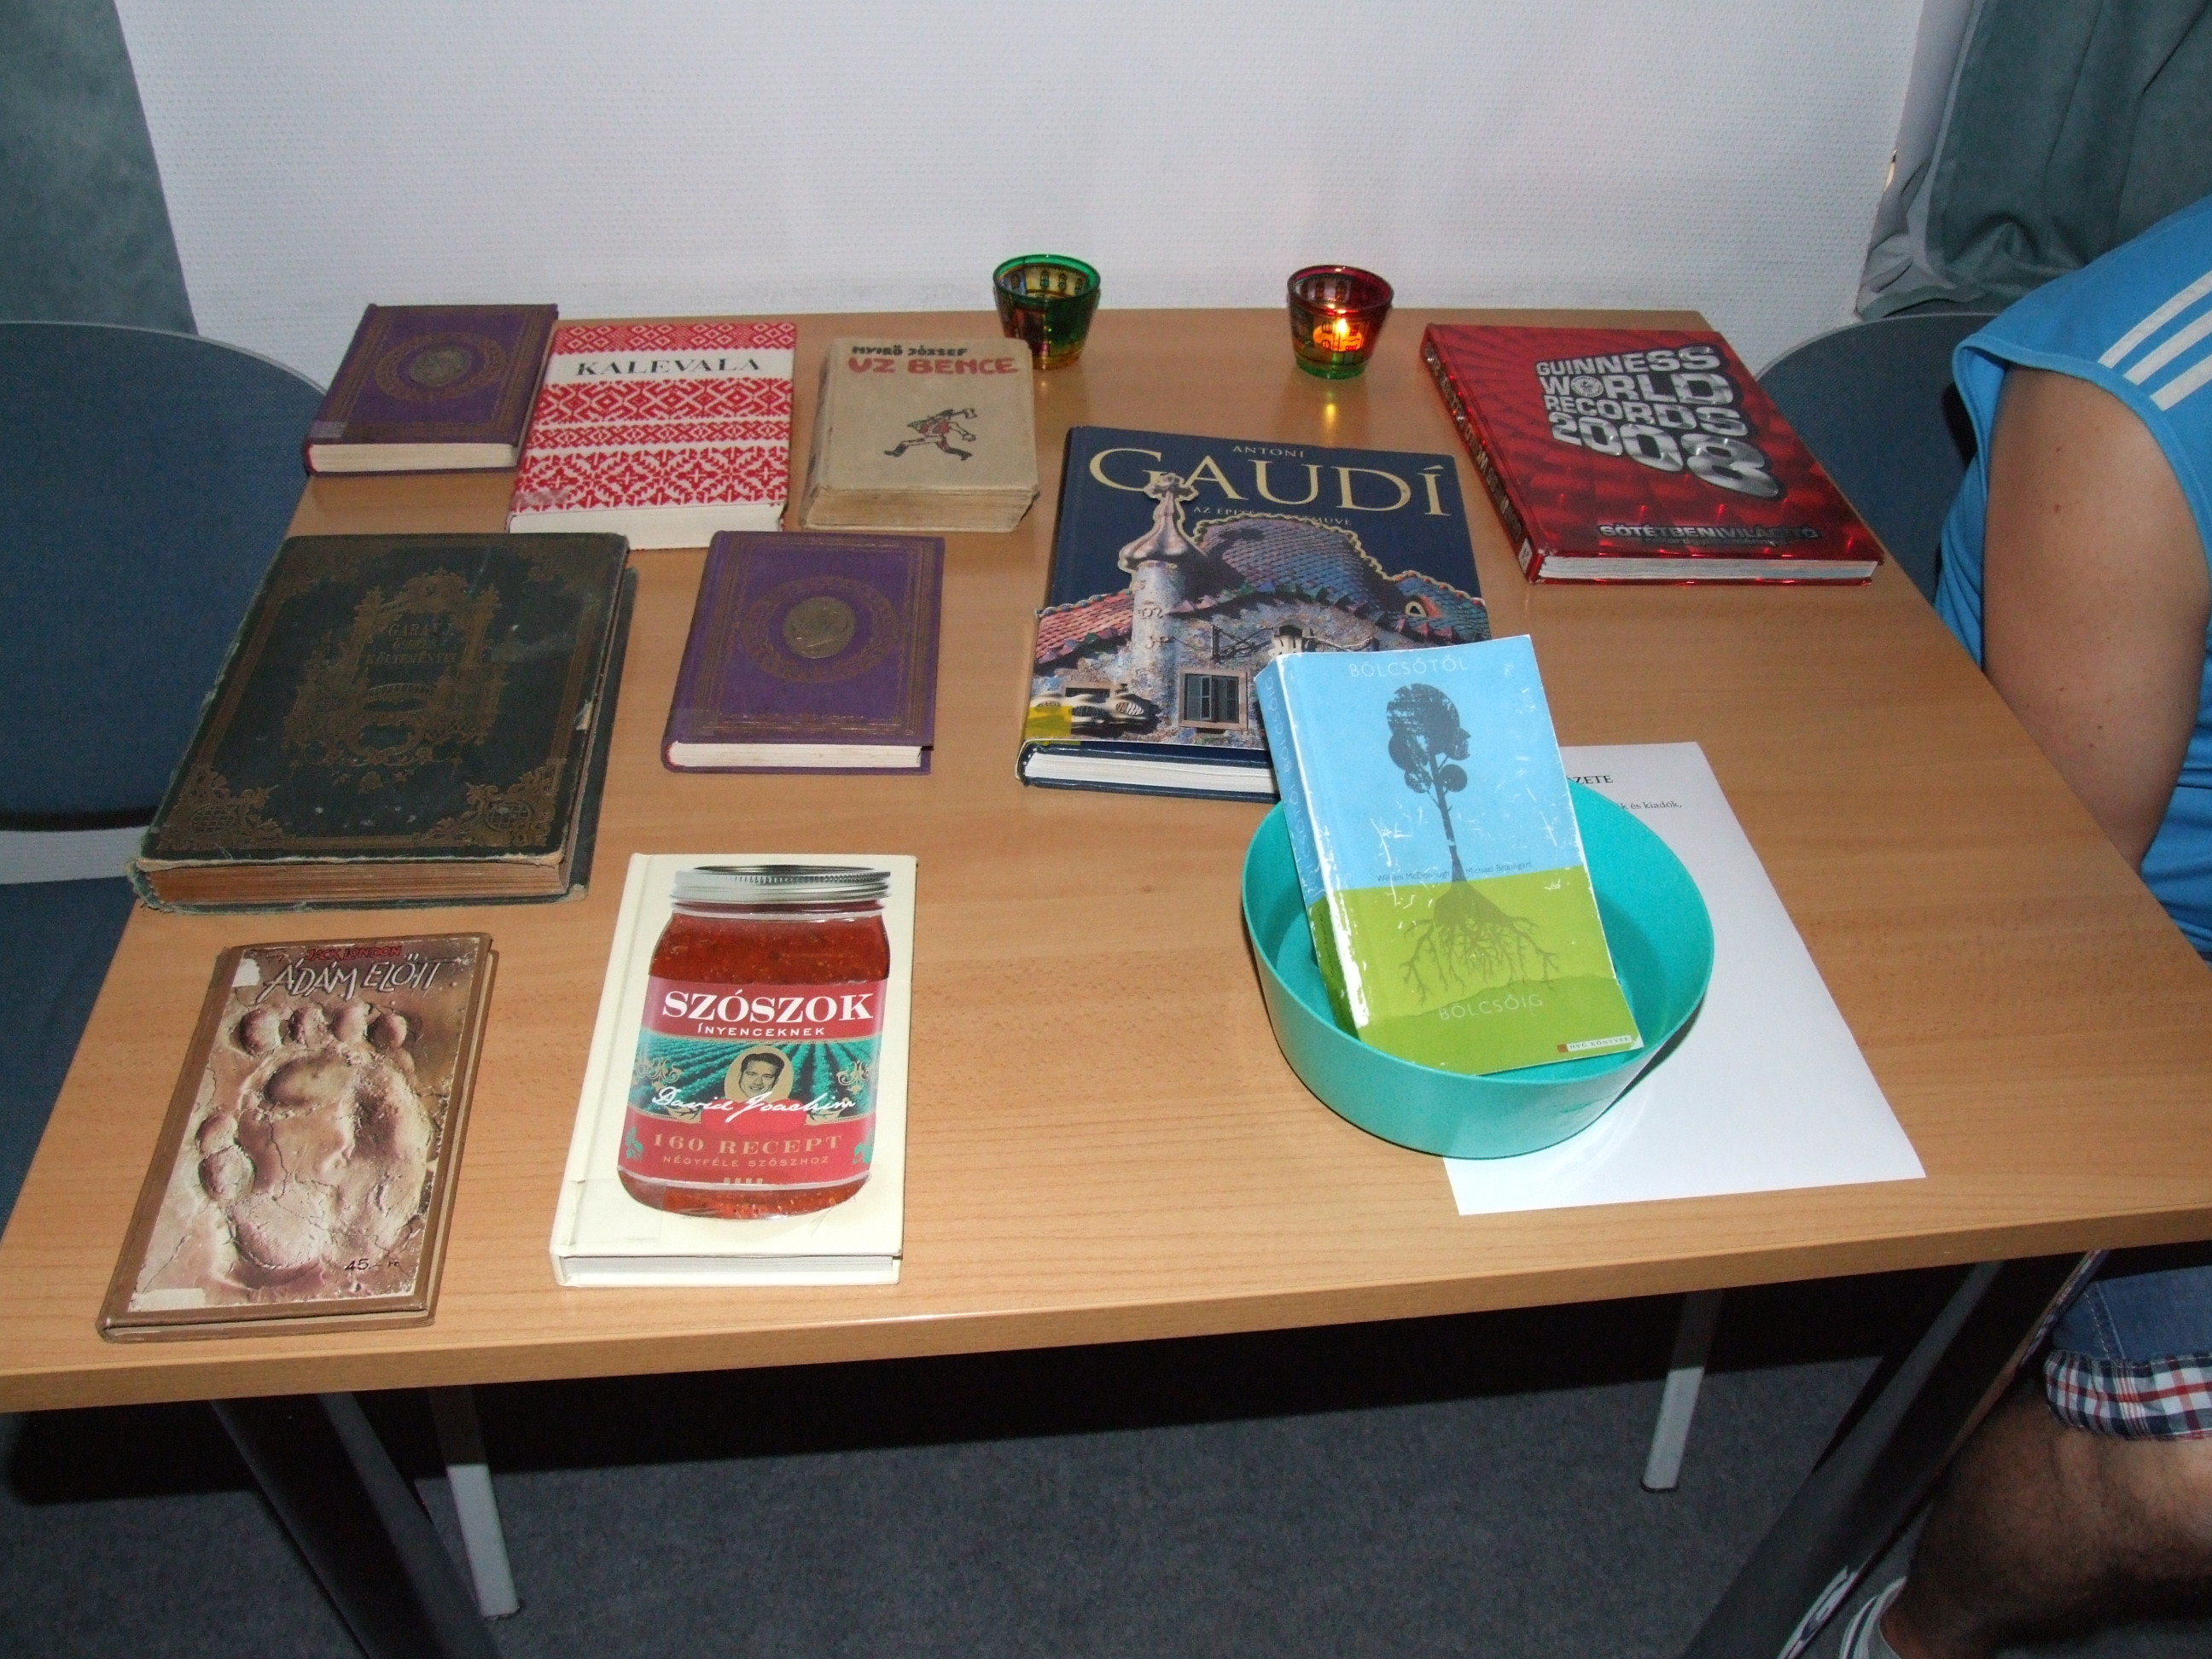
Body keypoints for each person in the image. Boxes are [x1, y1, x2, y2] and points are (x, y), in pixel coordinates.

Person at [1842, 191, 2212, 1658]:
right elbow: (2075, 894)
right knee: (2197, 1485)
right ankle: (1907, 1636)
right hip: (2148, 969)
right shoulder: (2140, 404)